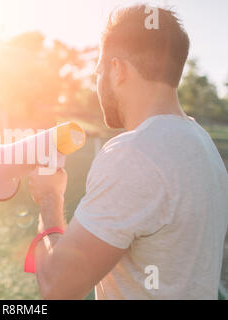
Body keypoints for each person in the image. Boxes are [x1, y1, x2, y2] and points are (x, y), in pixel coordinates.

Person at [27, 5, 227, 299]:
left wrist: (49, 197)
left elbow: (57, 287)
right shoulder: (204, 144)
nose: (97, 83)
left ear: (117, 70)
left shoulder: (134, 153)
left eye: (99, 71)